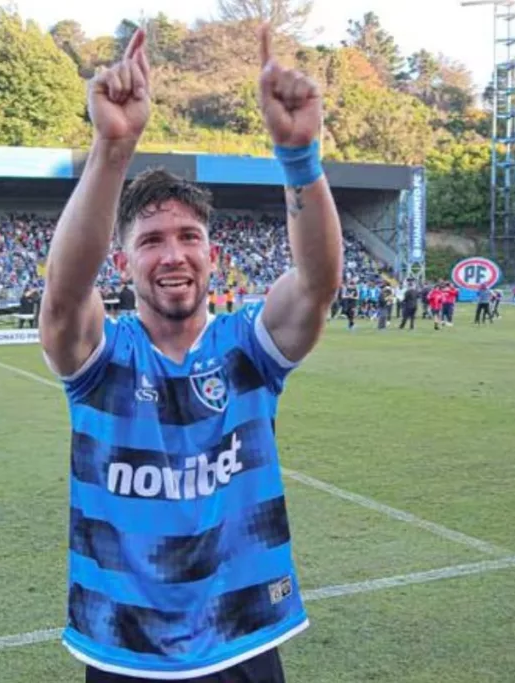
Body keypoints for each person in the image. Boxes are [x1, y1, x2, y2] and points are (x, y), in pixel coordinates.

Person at [38, 27, 342, 682]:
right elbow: (62, 299)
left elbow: (318, 283)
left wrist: (300, 158)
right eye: (150, 240)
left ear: (213, 254)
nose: (173, 254)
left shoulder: (248, 351)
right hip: (123, 650)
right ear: (121, 262)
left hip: (245, 640)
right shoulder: (100, 360)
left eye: (189, 236)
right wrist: (112, 148)